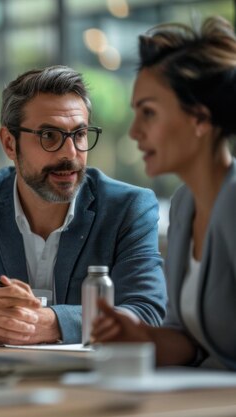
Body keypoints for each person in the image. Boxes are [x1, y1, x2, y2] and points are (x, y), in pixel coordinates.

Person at [0, 65, 167, 346]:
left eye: (79, 134)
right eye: (49, 136)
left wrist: (52, 323)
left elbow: (146, 312)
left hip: (92, 382)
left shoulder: (128, 207)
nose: (70, 154)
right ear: (9, 143)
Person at [92, 16, 236, 370]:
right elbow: (189, 342)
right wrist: (143, 336)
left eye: (149, 113)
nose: (134, 132)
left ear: (200, 118)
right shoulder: (185, 205)